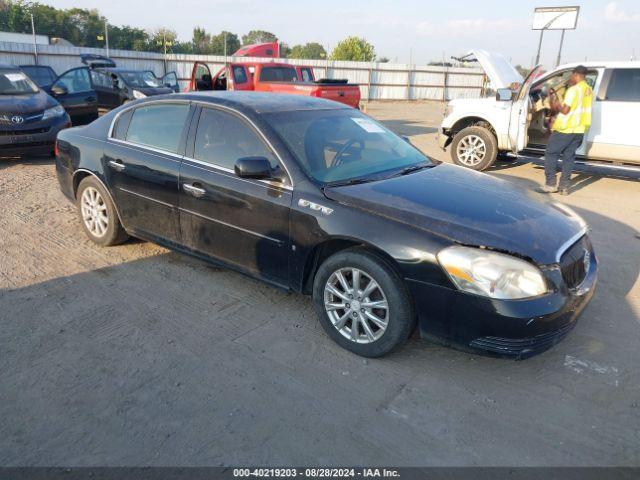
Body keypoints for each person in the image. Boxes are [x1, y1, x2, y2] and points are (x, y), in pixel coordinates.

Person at [539, 65, 593, 195]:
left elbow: (565, 110)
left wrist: (555, 101)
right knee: (569, 158)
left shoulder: (574, 90)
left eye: (572, 76)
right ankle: (564, 187)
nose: (571, 78)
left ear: (575, 75)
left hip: (566, 129)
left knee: (551, 153)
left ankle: (551, 184)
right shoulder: (588, 90)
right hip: (579, 130)